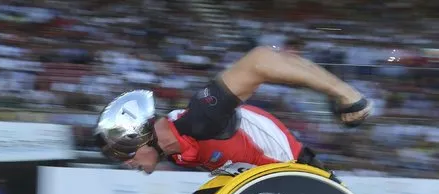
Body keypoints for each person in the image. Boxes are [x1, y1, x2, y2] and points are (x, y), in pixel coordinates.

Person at [94, 46, 372, 174]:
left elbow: (259, 59)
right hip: (262, 184)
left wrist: (345, 94)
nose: (127, 163)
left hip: (298, 170)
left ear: (143, 137)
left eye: (126, 154)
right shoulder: (174, 150)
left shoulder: (201, 119)